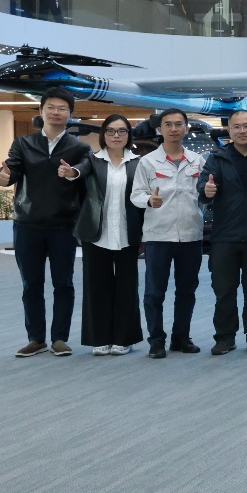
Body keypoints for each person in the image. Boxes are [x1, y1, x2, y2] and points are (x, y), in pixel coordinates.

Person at [0, 87, 89, 357]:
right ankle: (36, 338)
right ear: (41, 111)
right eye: (51, 107)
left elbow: (85, 168)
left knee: (64, 283)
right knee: (31, 284)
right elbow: (11, 170)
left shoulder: (79, 147)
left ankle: (59, 338)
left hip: (63, 225)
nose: (56, 112)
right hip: (28, 224)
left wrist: (73, 172)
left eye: (62, 108)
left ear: (70, 114)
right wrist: (2, 176)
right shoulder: (23, 144)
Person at [130, 108, 207, 359]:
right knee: (155, 292)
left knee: (187, 290)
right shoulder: (148, 162)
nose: (174, 129)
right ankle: (156, 340)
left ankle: (181, 337)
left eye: (178, 124)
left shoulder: (197, 161)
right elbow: (136, 194)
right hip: (158, 235)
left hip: (190, 234)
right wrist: (148, 200)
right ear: (159, 129)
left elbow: (205, 194)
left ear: (186, 128)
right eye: (168, 125)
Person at [198, 109, 247, 356]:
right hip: (224, 236)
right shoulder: (217, 157)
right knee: (224, 291)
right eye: (236, 126)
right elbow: (202, 185)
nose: (242, 131)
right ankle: (225, 337)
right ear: (229, 130)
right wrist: (205, 190)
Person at [73, 114, 143, 356]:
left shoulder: (138, 162)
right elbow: (80, 171)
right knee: (96, 287)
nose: (116, 135)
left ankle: (124, 338)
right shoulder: (93, 159)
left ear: (128, 135)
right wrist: (72, 173)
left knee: (127, 287)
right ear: (103, 134)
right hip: (96, 233)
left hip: (128, 232)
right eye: (111, 131)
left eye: (122, 131)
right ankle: (99, 338)